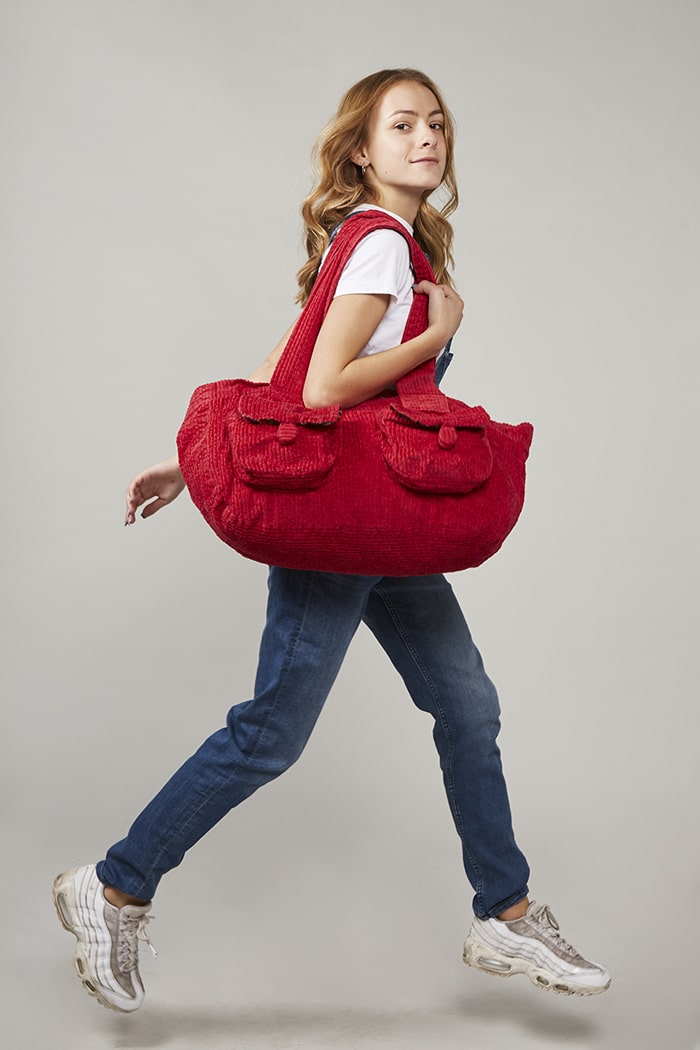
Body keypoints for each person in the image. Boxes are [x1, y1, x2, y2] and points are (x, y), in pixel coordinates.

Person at [53, 68, 610, 1013]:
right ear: (362, 148)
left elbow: (284, 367)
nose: (427, 138)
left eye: (437, 124)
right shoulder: (384, 246)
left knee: (467, 706)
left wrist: (190, 464)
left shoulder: (370, 239)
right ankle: (112, 890)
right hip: (341, 531)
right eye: (404, 125)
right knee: (271, 733)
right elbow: (320, 389)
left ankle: (505, 914)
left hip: (382, 525)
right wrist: (438, 332)